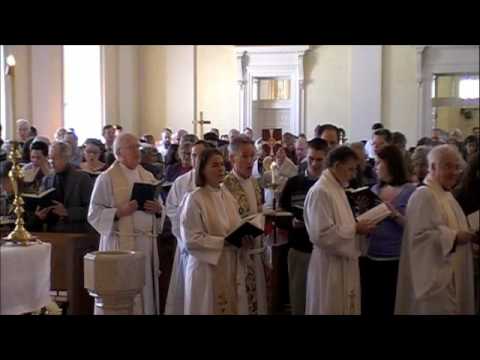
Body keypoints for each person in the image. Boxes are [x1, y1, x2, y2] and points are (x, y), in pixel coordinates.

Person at [88, 133, 165, 315]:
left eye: (137, 147)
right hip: (119, 245)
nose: (137, 151)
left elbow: (162, 207)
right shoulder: (106, 178)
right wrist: (118, 212)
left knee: (143, 293)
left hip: (145, 244)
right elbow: (94, 214)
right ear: (119, 153)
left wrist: (158, 209)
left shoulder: (147, 176)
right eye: (131, 148)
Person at [395, 145, 478, 314]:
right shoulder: (424, 195)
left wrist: (471, 235)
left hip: (453, 273)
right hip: (435, 284)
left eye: (456, 167)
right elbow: (419, 239)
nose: (454, 172)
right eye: (447, 166)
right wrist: (454, 238)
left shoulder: (445, 194)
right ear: (432, 167)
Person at [304, 146, 376, 314]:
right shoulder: (320, 192)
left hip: (343, 262)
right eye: (350, 169)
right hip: (329, 266)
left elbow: (342, 223)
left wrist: (359, 226)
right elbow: (320, 234)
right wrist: (355, 228)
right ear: (337, 166)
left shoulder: (337, 188)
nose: (353, 174)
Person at [180, 148, 249, 314]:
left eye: (222, 165)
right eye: (215, 165)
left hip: (229, 264)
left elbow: (235, 226)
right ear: (202, 169)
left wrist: (244, 237)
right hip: (206, 270)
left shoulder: (226, 194)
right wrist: (222, 241)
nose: (221, 169)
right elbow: (191, 240)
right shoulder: (195, 198)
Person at [359, 145, 416, 316]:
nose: (375, 167)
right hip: (370, 256)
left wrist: (395, 215)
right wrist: (362, 211)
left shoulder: (410, 191)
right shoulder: (374, 190)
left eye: (378, 163)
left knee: (391, 305)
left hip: (395, 258)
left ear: (390, 164)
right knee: (370, 304)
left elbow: (414, 227)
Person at [279, 138, 329, 315]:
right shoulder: (293, 183)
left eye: (319, 159)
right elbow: (280, 213)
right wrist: (291, 221)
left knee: (323, 302)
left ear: (326, 159)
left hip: (325, 252)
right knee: (299, 300)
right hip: (300, 249)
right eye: (311, 159)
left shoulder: (332, 186)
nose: (314, 163)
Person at [223, 135, 268, 315]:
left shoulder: (255, 183)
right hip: (237, 254)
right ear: (232, 158)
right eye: (245, 156)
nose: (250, 161)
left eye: (253, 157)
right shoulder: (225, 185)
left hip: (256, 252)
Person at [164, 140, 209, 315]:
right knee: (185, 289)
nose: (196, 159)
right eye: (193, 155)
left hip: (209, 242)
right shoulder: (181, 182)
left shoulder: (217, 181)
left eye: (201, 155)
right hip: (186, 245)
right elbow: (171, 208)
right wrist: (184, 234)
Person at [32, 141, 93, 233]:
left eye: (55, 158)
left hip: (76, 232)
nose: (51, 162)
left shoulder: (82, 178)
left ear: (66, 158)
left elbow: (92, 210)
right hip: (52, 232)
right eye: (50, 158)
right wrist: (40, 214)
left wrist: (67, 211)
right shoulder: (47, 179)